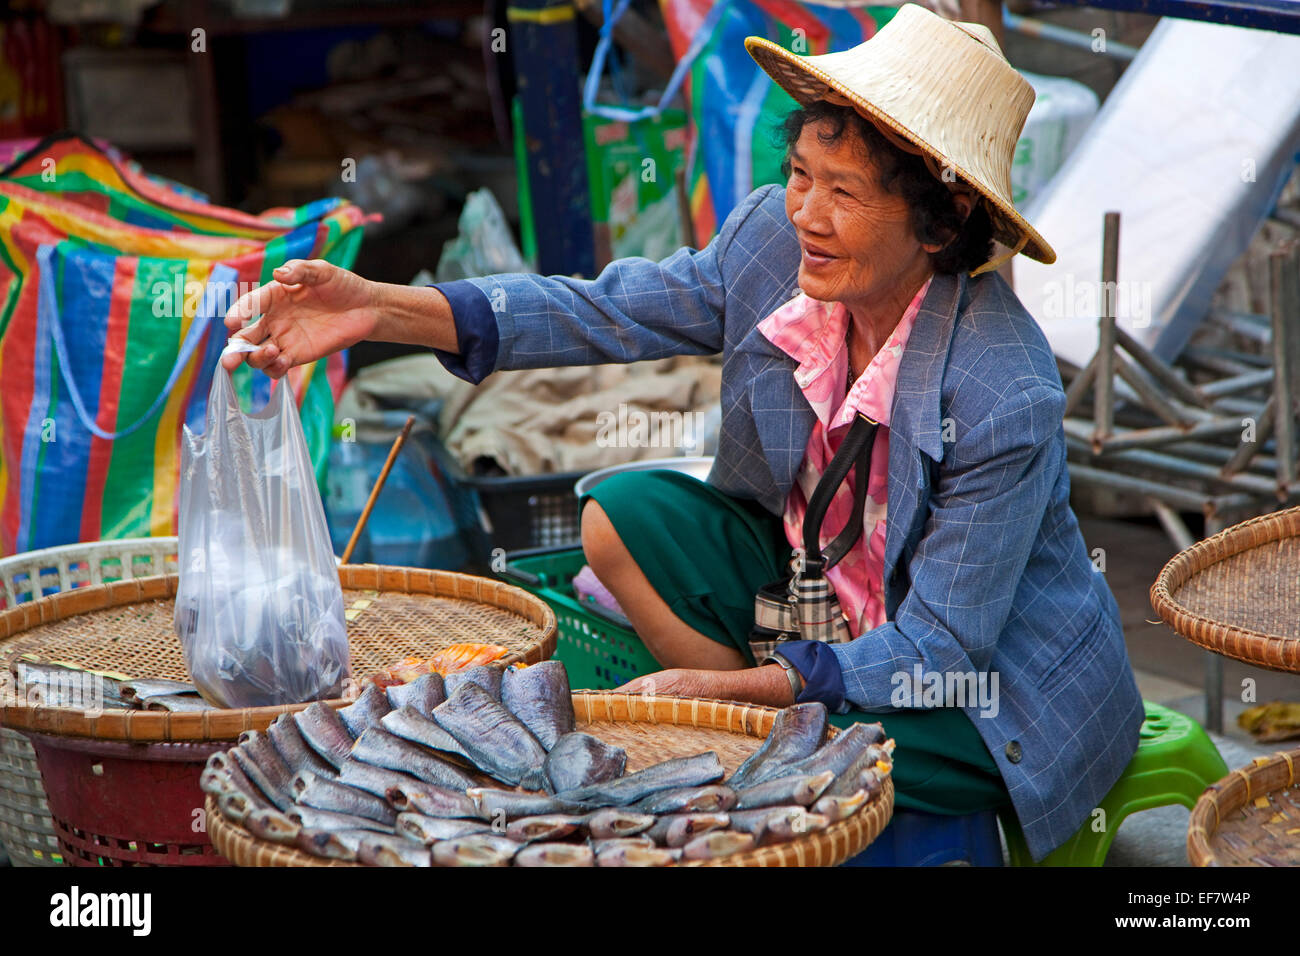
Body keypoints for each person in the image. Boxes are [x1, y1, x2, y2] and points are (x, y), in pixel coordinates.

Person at [222, 4, 1143, 862]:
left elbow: (939, 646)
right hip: (816, 594)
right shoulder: (773, 249)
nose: (806, 215)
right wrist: (378, 308)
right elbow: (604, 312)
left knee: (874, 769)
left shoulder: (1002, 389)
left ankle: (772, 737)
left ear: (940, 225)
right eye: (800, 176)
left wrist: (735, 692)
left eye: (846, 194)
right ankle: (766, 742)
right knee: (623, 512)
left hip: (973, 686)